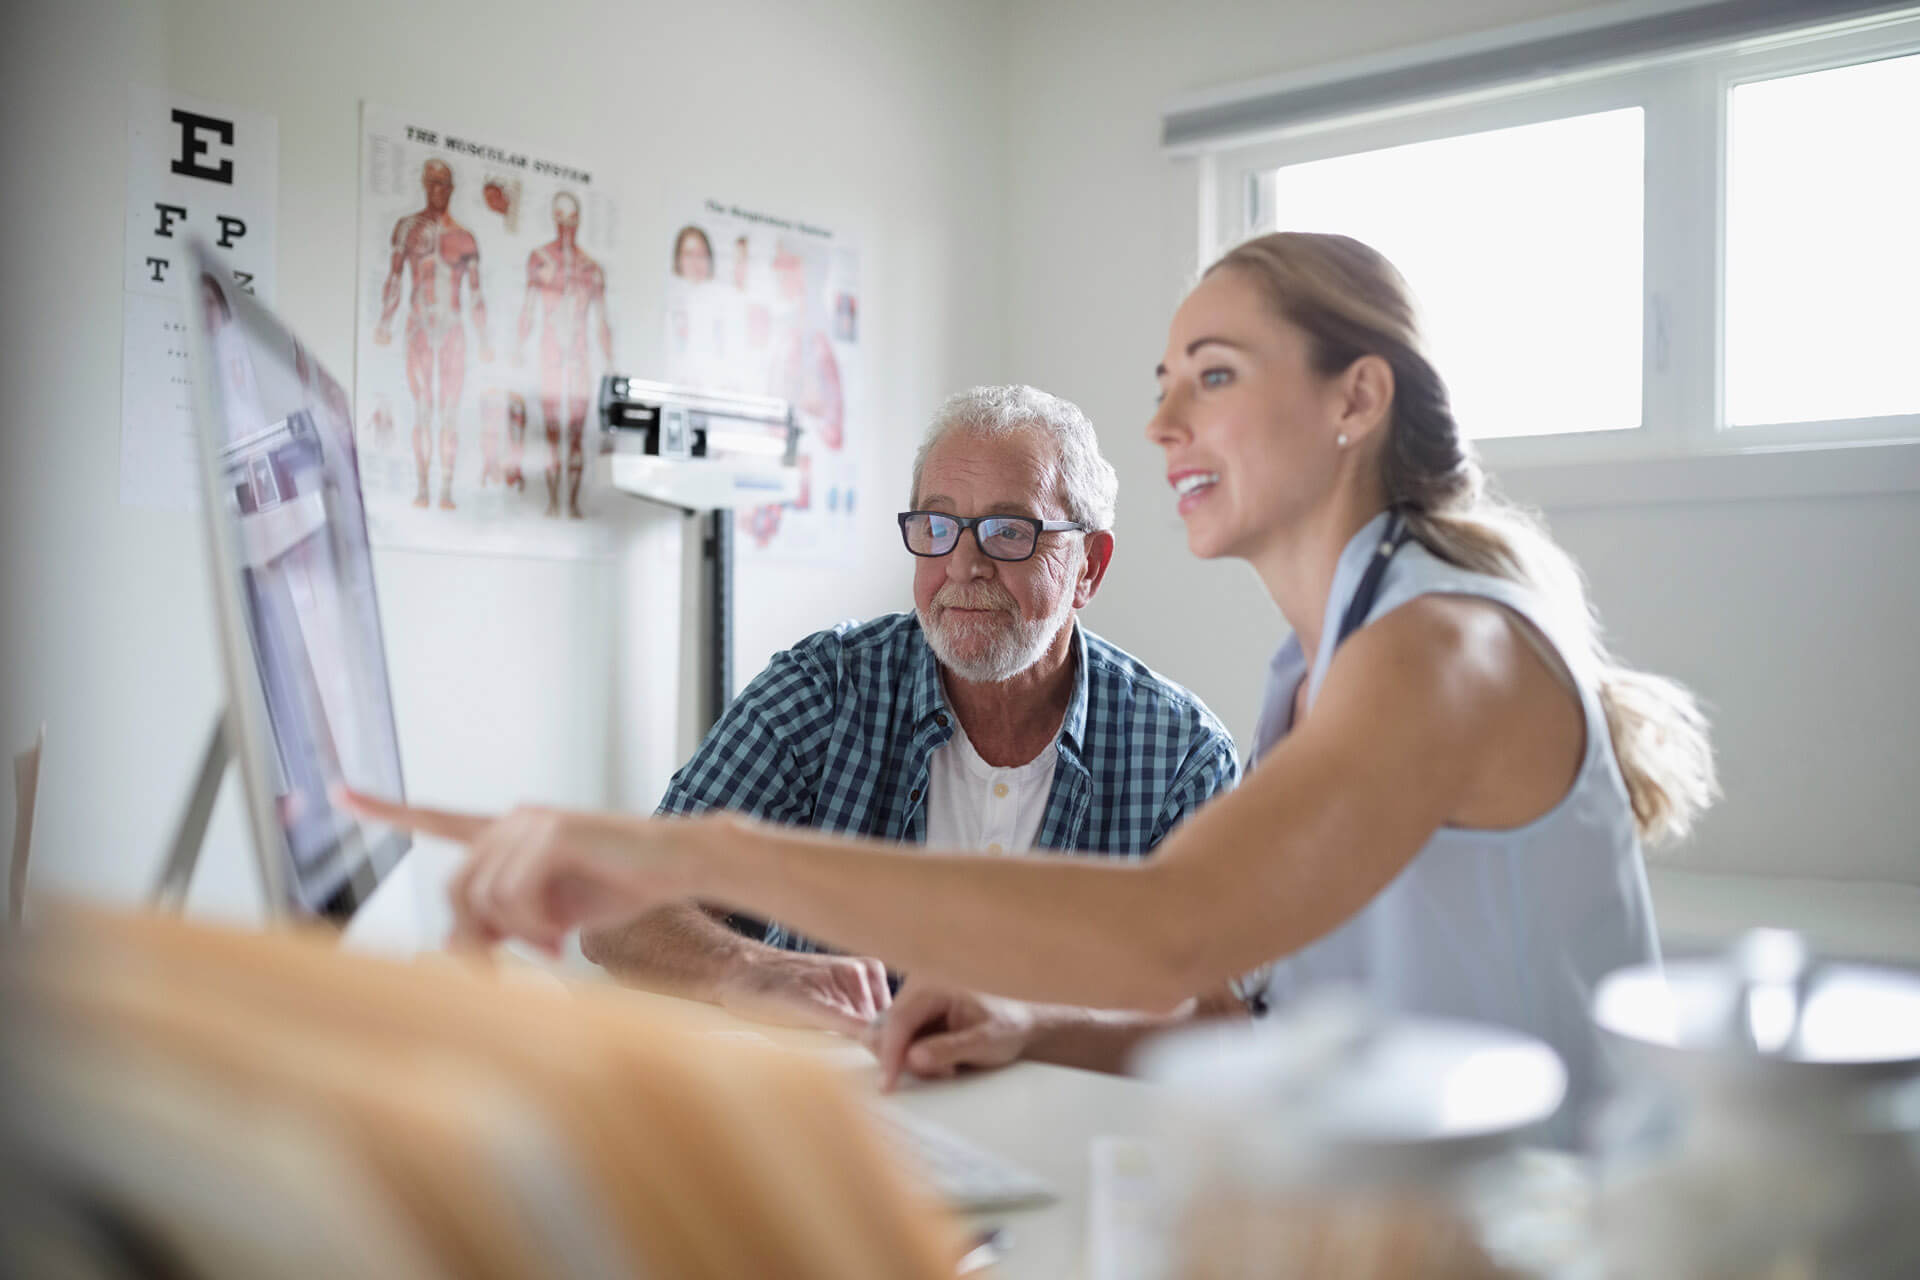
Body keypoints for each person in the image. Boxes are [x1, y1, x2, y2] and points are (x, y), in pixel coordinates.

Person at [351, 233, 1717, 1123]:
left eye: (1215, 375)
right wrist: (1022, 1023)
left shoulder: (1438, 648)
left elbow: (1172, 931)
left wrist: (707, 851)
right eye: (1167, 378)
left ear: (1354, 401)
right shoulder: (1324, 668)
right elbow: (1246, 1018)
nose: (1166, 417)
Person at [575, 385, 1241, 1068]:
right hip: (848, 1130)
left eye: (1010, 532)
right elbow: (615, 908)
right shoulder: (823, 691)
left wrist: (1034, 1024)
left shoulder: (1180, 756)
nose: (963, 565)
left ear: (1088, 567)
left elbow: (1220, 1018)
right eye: (937, 526)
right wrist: (746, 968)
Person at [373, 158, 493, 511]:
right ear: (425, 184)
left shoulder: (465, 238)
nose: (438, 190)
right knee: (423, 407)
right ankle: (424, 487)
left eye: (444, 184)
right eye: (433, 183)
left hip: (453, 327)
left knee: (451, 411)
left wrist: (485, 339)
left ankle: (446, 489)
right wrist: (385, 323)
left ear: (452, 188)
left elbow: (476, 294)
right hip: (420, 326)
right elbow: (394, 278)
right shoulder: (408, 227)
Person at [515, 192, 613, 518]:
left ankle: (570, 503)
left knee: (576, 435)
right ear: (554, 218)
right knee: (552, 434)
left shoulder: (592, 269)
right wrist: (515, 354)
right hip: (551, 355)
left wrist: (612, 368)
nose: (566, 226)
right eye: (561, 218)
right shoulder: (540, 259)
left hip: (580, 357)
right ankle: (554, 502)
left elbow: (601, 323)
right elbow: (528, 312)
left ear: (579, 220)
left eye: (572, 219)